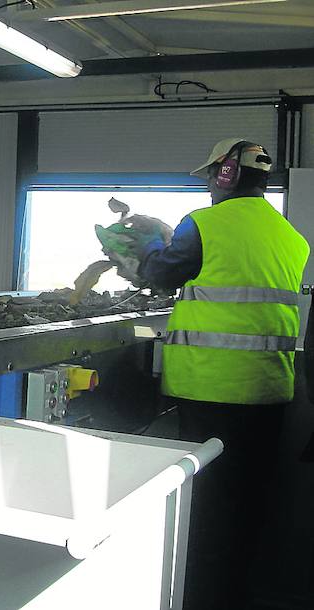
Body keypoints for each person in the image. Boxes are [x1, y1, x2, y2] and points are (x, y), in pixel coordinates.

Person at [129, 138, 309, 609]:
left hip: (211, 390)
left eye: (212, 175)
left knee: (205, 513)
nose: (210, 185)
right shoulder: (292, 237)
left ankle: (196, 599)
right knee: (248, 507)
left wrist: (149, 238)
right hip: (270, 392)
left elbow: (161, 273)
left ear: (224, 175)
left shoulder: (205, 224)